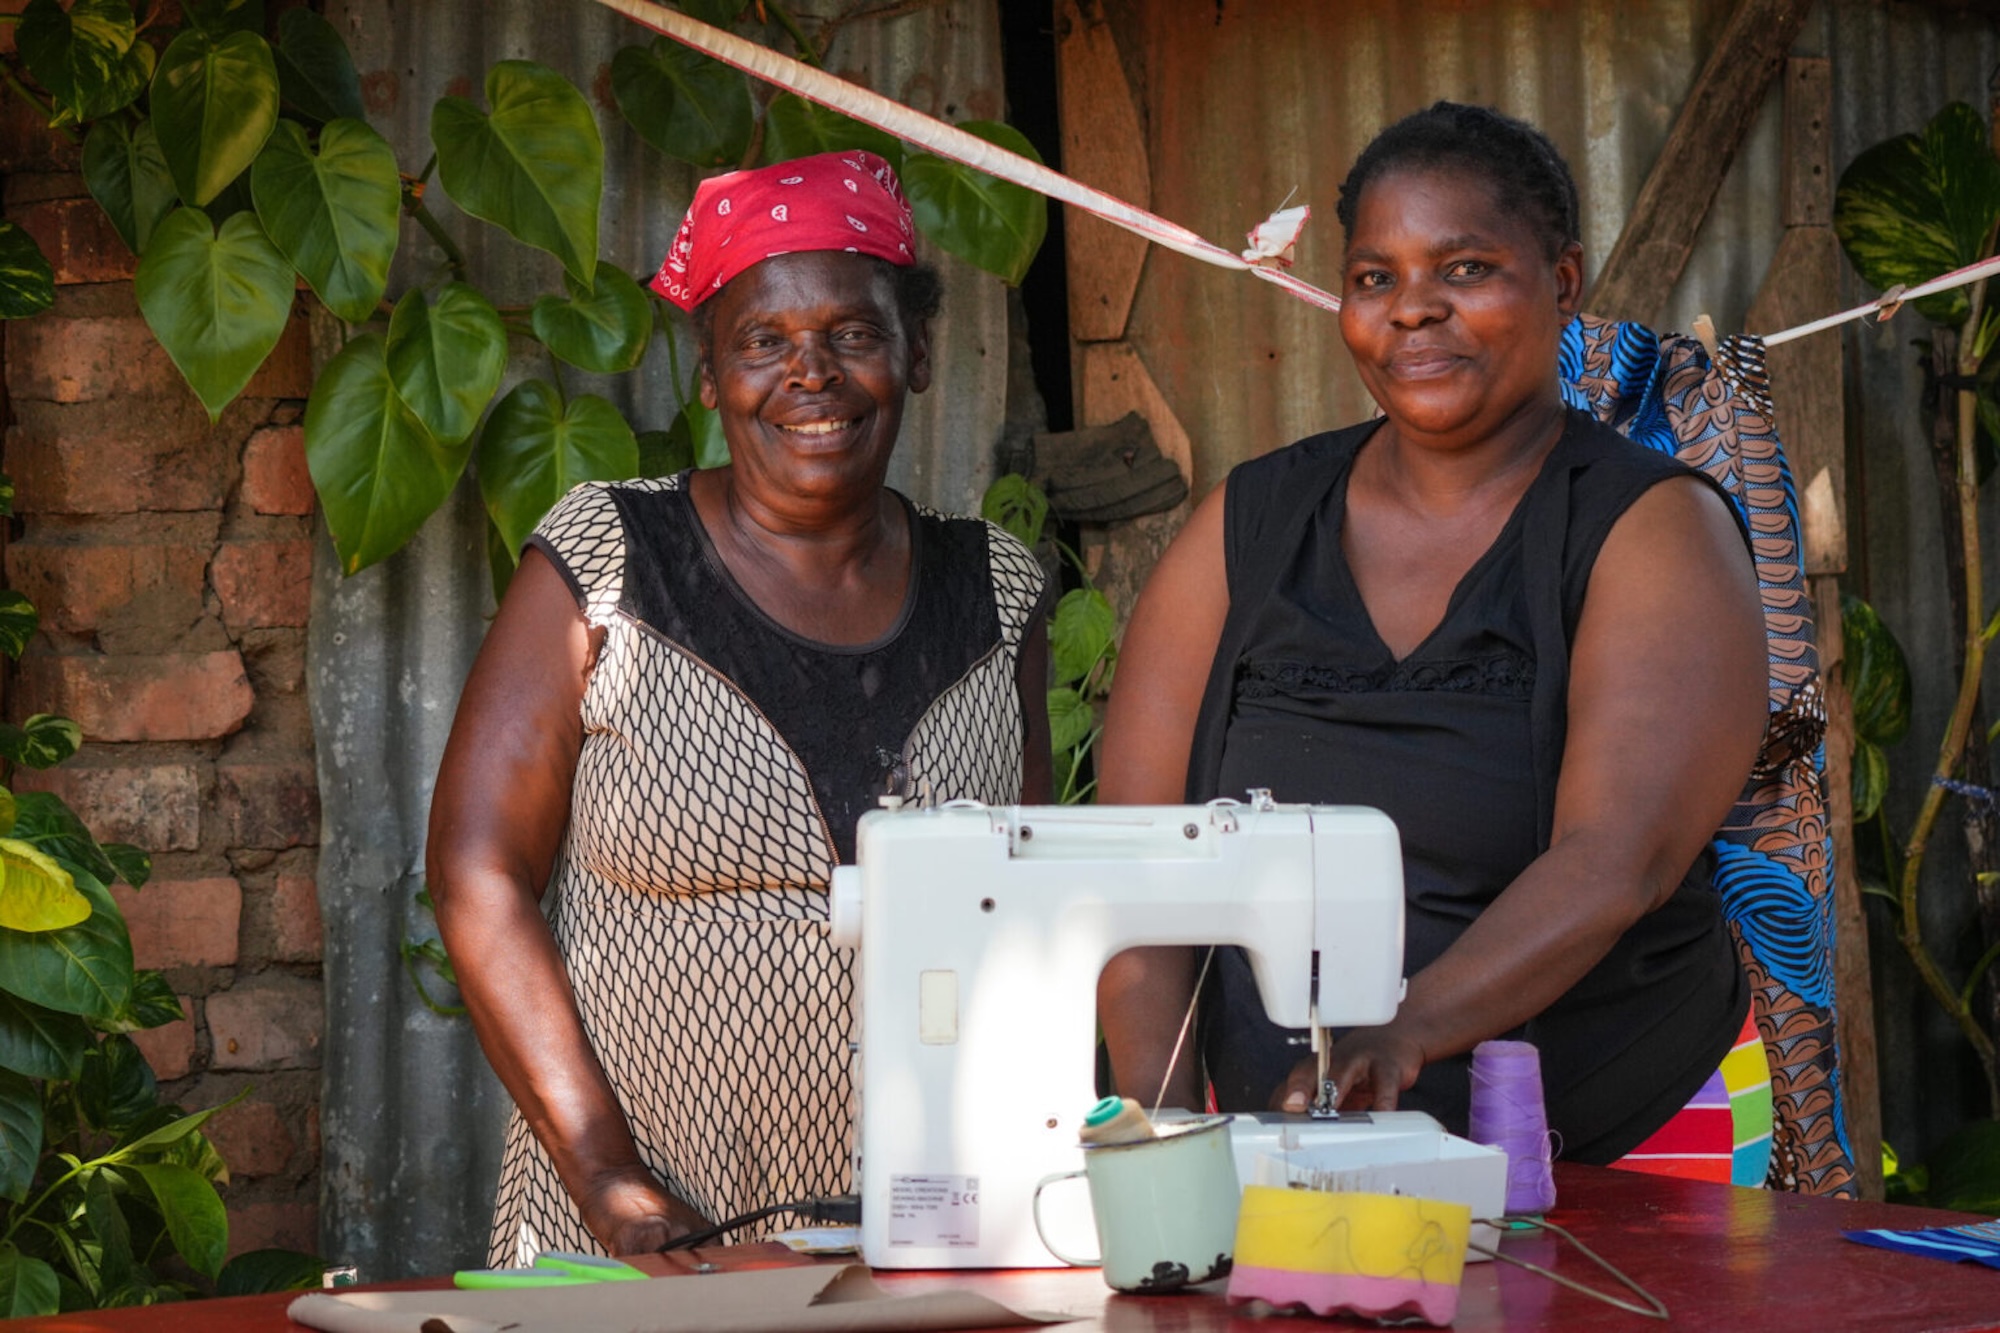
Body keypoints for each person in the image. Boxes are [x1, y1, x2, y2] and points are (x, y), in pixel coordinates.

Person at [1096, 103, 1773, 1177]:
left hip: (1612, 1133)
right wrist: (1162, 1138)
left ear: (1562, 280)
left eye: (1462, 269)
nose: (1412, 311)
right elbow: (1138, 868)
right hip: (1289, 1152)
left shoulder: (1651, 532)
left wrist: (1404, 1031)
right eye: (1373, 278)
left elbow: (1616, 860)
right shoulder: (1246, 526)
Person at [427, 150, 1052, 1263]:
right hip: (642, 1227)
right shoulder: (608, 558)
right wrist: (606, 1172)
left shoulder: (994, 592)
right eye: (763, 341)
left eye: (851, 335)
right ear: (710, 374)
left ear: (912, 353)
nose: (808, 374)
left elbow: (1038, 909)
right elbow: (478, 873)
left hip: (921, 1238)